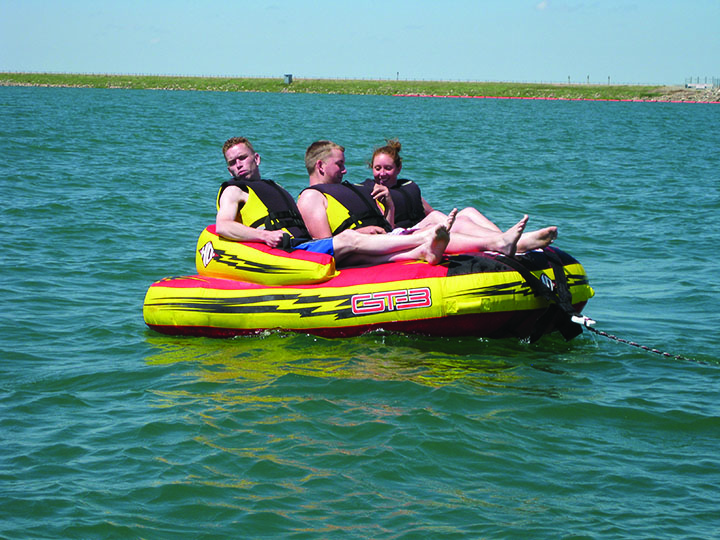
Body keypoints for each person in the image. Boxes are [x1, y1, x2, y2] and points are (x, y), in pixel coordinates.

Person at [215, 137, 455, 267]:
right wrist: (263, 236)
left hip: (301, 245)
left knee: (355, 250)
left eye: (242, 158)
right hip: (286, 253)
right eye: (232, 162)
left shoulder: (275, 187)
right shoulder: (234, 191)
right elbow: (223, 225)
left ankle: (420, 251)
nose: (238, 165)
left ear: (256, 158)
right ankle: (423, 238)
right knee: (349, 239)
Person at [297, 140, 535, 257]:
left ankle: (506, 241)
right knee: (432, 230)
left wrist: (388, 209)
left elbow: (387, 225)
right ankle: (496, 244)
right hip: (365, 248)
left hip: (381, 238)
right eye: (339, 165)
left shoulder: (344, 191)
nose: (345, 170)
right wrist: (360, 233)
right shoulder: (312, 198)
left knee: (451, 216)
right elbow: (325, 247)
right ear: (321, 166)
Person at [365, 139, 559, 255]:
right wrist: (389, 204)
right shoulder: (375, 192)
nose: (382, 174)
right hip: (403, 237)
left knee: (468, 212)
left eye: (388, 168)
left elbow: (430, 212)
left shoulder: (406, 187)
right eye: (377, 168)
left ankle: (507, 239)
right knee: (447, 221)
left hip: (420, 227)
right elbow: (387, 231)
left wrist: (450, 221)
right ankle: (505, 243)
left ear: (398, 168)